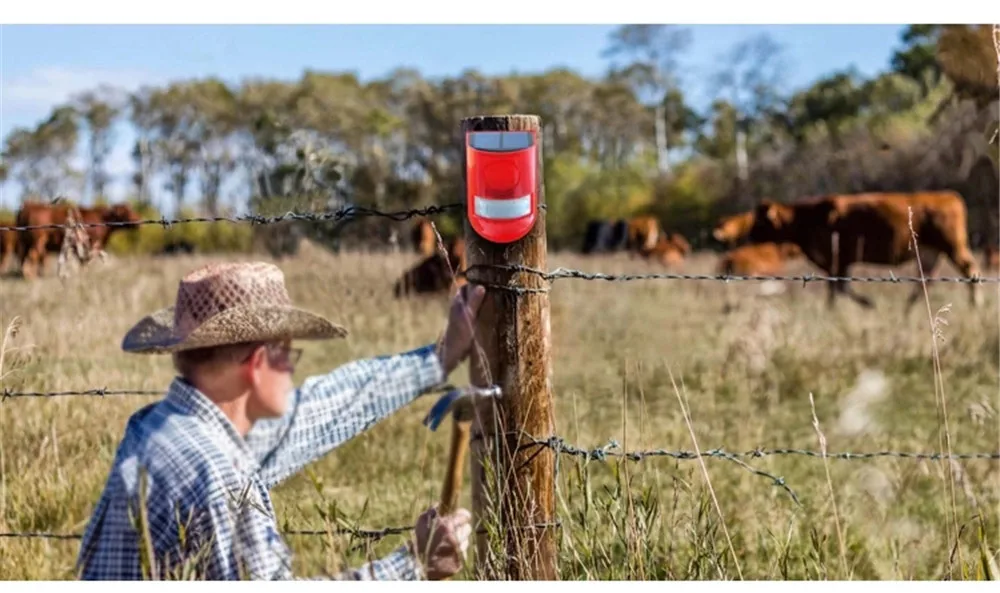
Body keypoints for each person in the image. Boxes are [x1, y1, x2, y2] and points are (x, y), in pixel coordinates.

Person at [76, 261, 486, 580]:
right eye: (289, 356)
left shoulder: (156, 428)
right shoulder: (221, 477)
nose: (292, 372)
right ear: (258, 364)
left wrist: (440, 358)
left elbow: (321, 410)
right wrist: (413, 564)